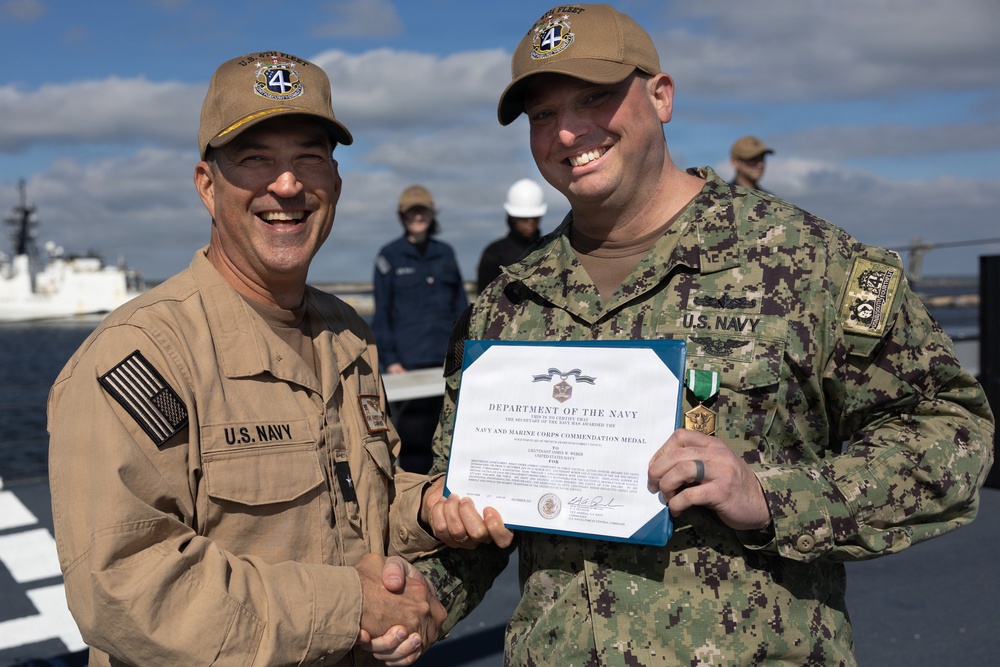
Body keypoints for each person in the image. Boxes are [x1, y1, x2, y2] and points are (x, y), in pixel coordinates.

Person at [410, 5, 995, 666]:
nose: (569, 131)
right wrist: (413, 605)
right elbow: (478, 515)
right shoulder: (506, 307)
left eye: (595, 97)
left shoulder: (809, 264)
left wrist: (773, 499)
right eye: (542, 114)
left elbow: (950, 434)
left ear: (661, 97)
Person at [47, 51, 452, 667]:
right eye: (255, 158)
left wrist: (427, 508)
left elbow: (360, 502)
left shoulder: (348, 337)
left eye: (308, 158)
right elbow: (125, 585)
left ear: (336, 184)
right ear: (207, 186)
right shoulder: (142, 356)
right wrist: (352, 607)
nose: (286, 185)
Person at [372, 185, 468, 473]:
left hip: (445, 362)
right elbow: (382, 313)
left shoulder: (446, 253)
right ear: (402, 216)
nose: (417, 216)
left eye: (422, 210)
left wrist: (462, 353)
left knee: (449, 438)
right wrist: (391, 361)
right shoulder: (389, 256)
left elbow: (461, 308)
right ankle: (418, 507)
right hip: (408, 366)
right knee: (413, 441)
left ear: (431, 214)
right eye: (411, 211)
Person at [476, 178, 547, 293]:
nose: (530, 223)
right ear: (512, 219)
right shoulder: (494, 253)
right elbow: (484, 298)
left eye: (535, 218)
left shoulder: (550, 249)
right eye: (524, 219)